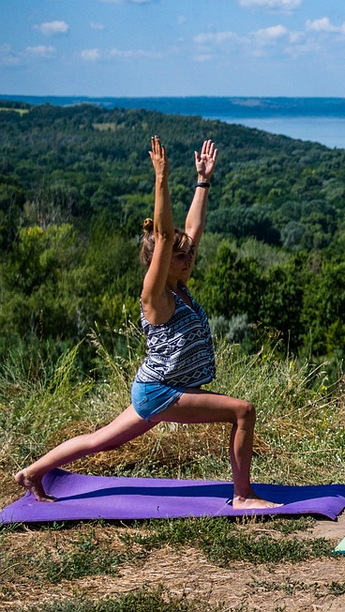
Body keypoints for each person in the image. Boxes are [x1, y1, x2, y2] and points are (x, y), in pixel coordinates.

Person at [13, 136, 279, 509]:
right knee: (243, 410)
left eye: (188, 254)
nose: (189, 258)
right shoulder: (156, 297)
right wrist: (161, 178)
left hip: (158, 387)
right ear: (161, 260)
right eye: (180, 255)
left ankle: (31, 472)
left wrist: (203, 181)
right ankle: (243, 495)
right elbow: (165, 234)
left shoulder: (180, 285)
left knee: (100, 440)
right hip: (162, 391)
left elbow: (191, 227)